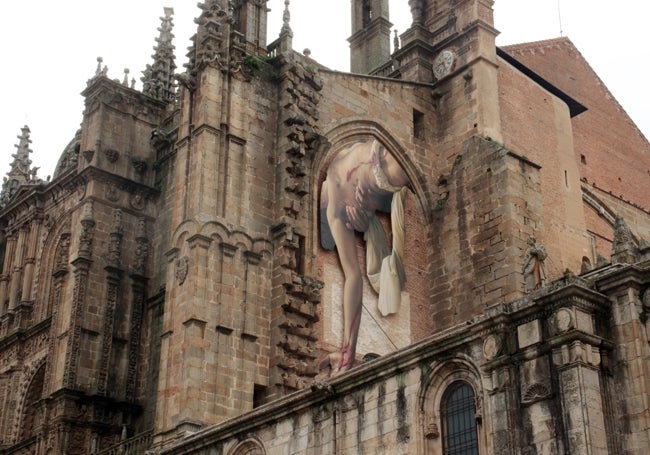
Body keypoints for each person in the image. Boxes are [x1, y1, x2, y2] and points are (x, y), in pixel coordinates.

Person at [319, 137, 410, 375]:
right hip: (378, 156)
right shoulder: (339, 206)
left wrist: (347, 353)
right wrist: (348, 351)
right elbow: (353, 277)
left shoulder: (336, 208)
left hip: (380, 159)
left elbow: (353, 276)